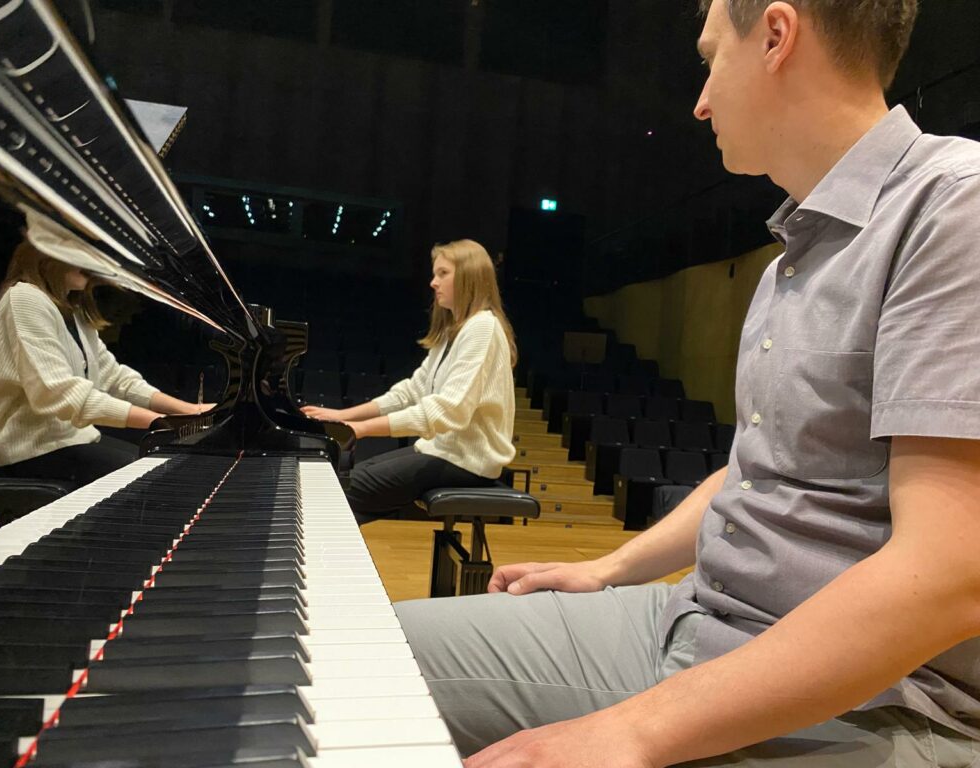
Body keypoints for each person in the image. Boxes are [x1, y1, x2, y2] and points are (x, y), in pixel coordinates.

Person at [394, 1, 980, 766]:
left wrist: (632, 730)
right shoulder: (787, 263)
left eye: (709, 59)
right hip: (702, 615)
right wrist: (607, 568)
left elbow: (950, 572)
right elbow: (754, 475)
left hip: (873, 698)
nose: (700, 100)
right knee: (360, 652)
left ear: (776, 35)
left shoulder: (954, 204)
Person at [302, 239, 517, 524]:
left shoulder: (482, 328)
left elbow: (447, 411)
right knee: (348, 485)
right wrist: (343, 416)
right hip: (443, 452)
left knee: (347, 490)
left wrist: (361, 429)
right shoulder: (455, 332)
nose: (432, 283)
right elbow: (411, 391)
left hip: (467, 461)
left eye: (442, 273)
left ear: (468, 277)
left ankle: (323, 551)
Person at [0, 239, 212, 488]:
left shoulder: (74, 312)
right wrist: (160, 421)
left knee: (161, 466)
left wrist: (189, 410)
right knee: (156, 480)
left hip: (70, 441)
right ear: (51, 254)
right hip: (30, 452)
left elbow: (116, 378)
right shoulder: (24, 298)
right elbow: (58, 393)